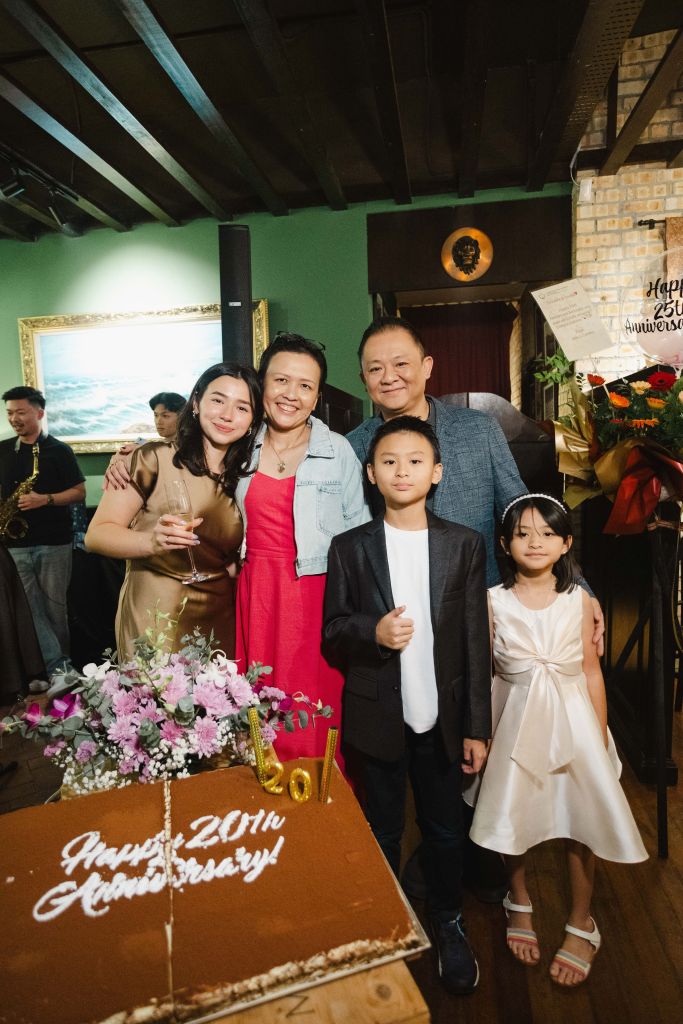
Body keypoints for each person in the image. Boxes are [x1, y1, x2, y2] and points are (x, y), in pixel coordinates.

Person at [323, 416, 491, 995]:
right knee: (383, 830)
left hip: (443, 720)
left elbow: (475, 640)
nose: (402, 471)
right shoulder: (349, 547)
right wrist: (373, 632)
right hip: (378, 720)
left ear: (436, 472)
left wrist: (477, 727)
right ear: (370, 474)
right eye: (389, 461)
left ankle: (448, 921)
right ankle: (385, 925)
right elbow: (333, 629)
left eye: (415, 461)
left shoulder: (463, 544)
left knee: (445, 832)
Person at [467, 494, 647, 986]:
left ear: (566, 543)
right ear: (504, 543)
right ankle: (519, 898)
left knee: (579, 820)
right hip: (514, 720)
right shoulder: (492, 601)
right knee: (514, 812)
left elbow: (591, 671)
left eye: (547, 533)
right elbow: (483, 673)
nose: (535, 542)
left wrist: (599, 735)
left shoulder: (580, 602)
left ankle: (582, 919)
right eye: (523, 534)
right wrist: (480, 732)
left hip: (573, 723)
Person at [234, 333, 369, 767]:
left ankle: (321, 795)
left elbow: (361, 535)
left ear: (317, 396)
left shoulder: (338, 450)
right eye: (281, 380)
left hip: (315, 596)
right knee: (252, 704)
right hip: (253, 592)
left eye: (305, 385)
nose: (291, 394)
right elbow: (185, 462)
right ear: (262, 384)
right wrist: (132, 456)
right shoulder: (238, 445)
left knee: (311, 706)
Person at [85, 363, 261, 659]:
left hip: (219, 612)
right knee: (154, 688)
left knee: (218, 689)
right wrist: (151, 542)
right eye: (218, 400)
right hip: (156, 611)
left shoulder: (245, 477)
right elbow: (96, 535)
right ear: (196, 403)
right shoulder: (152, 458)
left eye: (242, 408)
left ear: (253, 420)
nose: (228, 415)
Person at [1, 386, 86, 685]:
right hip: (14, 544)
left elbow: (79, 492)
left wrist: (45, 499)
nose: (14, 418)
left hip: (53, 541)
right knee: (29, 610)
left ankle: (58, 672)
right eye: (10, 413)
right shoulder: (2, 450)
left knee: (54, 609)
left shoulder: (59, 450)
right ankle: (55, 670)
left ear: (39, 413)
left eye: (21, 412)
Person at [104, 390, 186, 489]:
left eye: (165, 416)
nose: (158, 421)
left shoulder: (184, 446)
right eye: (156, 415)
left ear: (182, 416)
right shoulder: (165, 443)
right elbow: (150, 443)